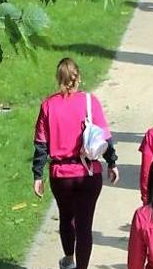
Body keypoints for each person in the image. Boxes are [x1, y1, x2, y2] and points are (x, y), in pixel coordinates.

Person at [33, 58, 119, 269]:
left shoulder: (48, 106)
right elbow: (104, 138)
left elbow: (41, 145)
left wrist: (37, 176)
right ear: (78, 77)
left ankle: (69, 259)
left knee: (66, 218)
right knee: (84, 226)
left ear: (58, 79)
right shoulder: (91, 102)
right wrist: (112, 163)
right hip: (88, 173)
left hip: (60, 175)